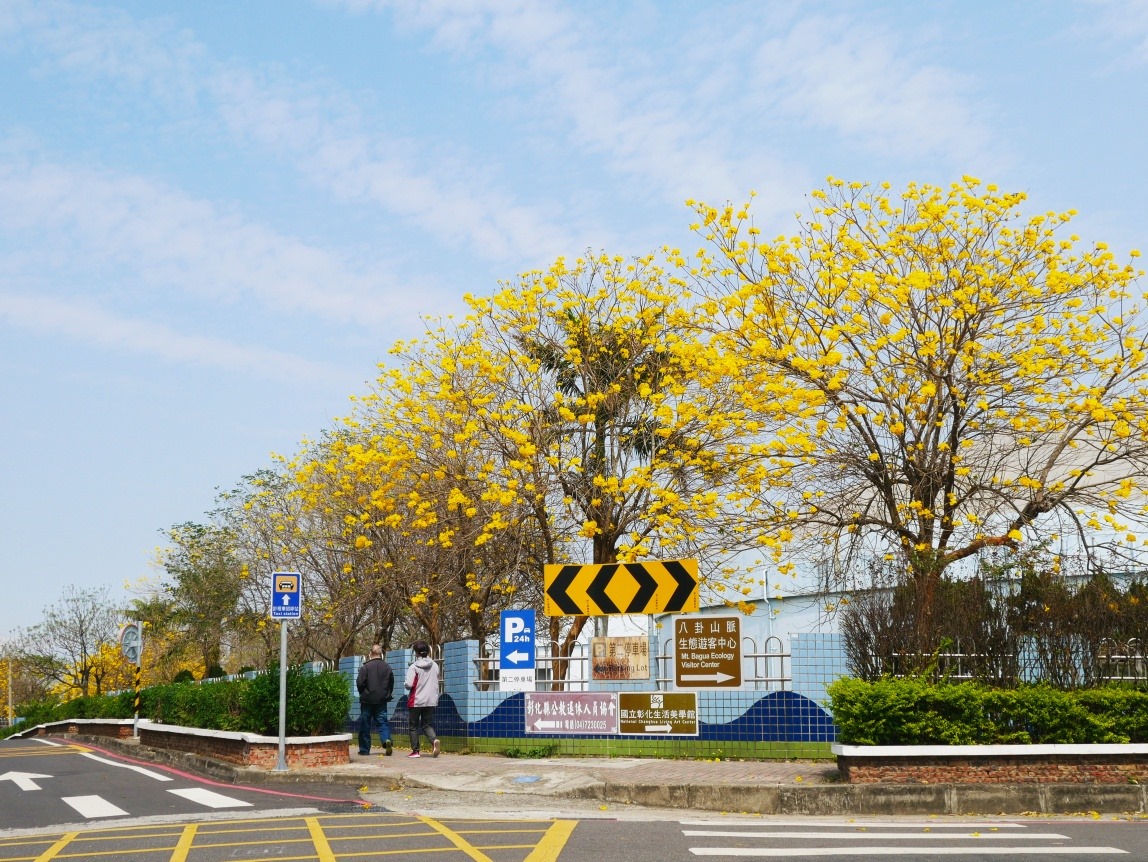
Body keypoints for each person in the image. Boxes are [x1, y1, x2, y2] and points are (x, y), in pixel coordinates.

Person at [356, 644, 394, 756]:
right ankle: (386, 740)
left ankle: (364, 750)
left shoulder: (365, 667)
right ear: (381, 654)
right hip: (381, 700)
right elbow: (391, 683)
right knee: (382, 722)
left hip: (367, 700)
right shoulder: (387, 667)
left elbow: (359, 683)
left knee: (365, 724)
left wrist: (363, 692)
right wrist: (386, 694)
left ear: (370, 654)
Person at [404, 640, 440, 758]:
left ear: (416, 653)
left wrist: (405, 683)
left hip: (417, 699)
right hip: (431, 700)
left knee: (413, 725)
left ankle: (415, 751)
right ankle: (434, 741)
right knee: (426, 724)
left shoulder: (413, 667)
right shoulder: (435, 665)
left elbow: (409, 684)